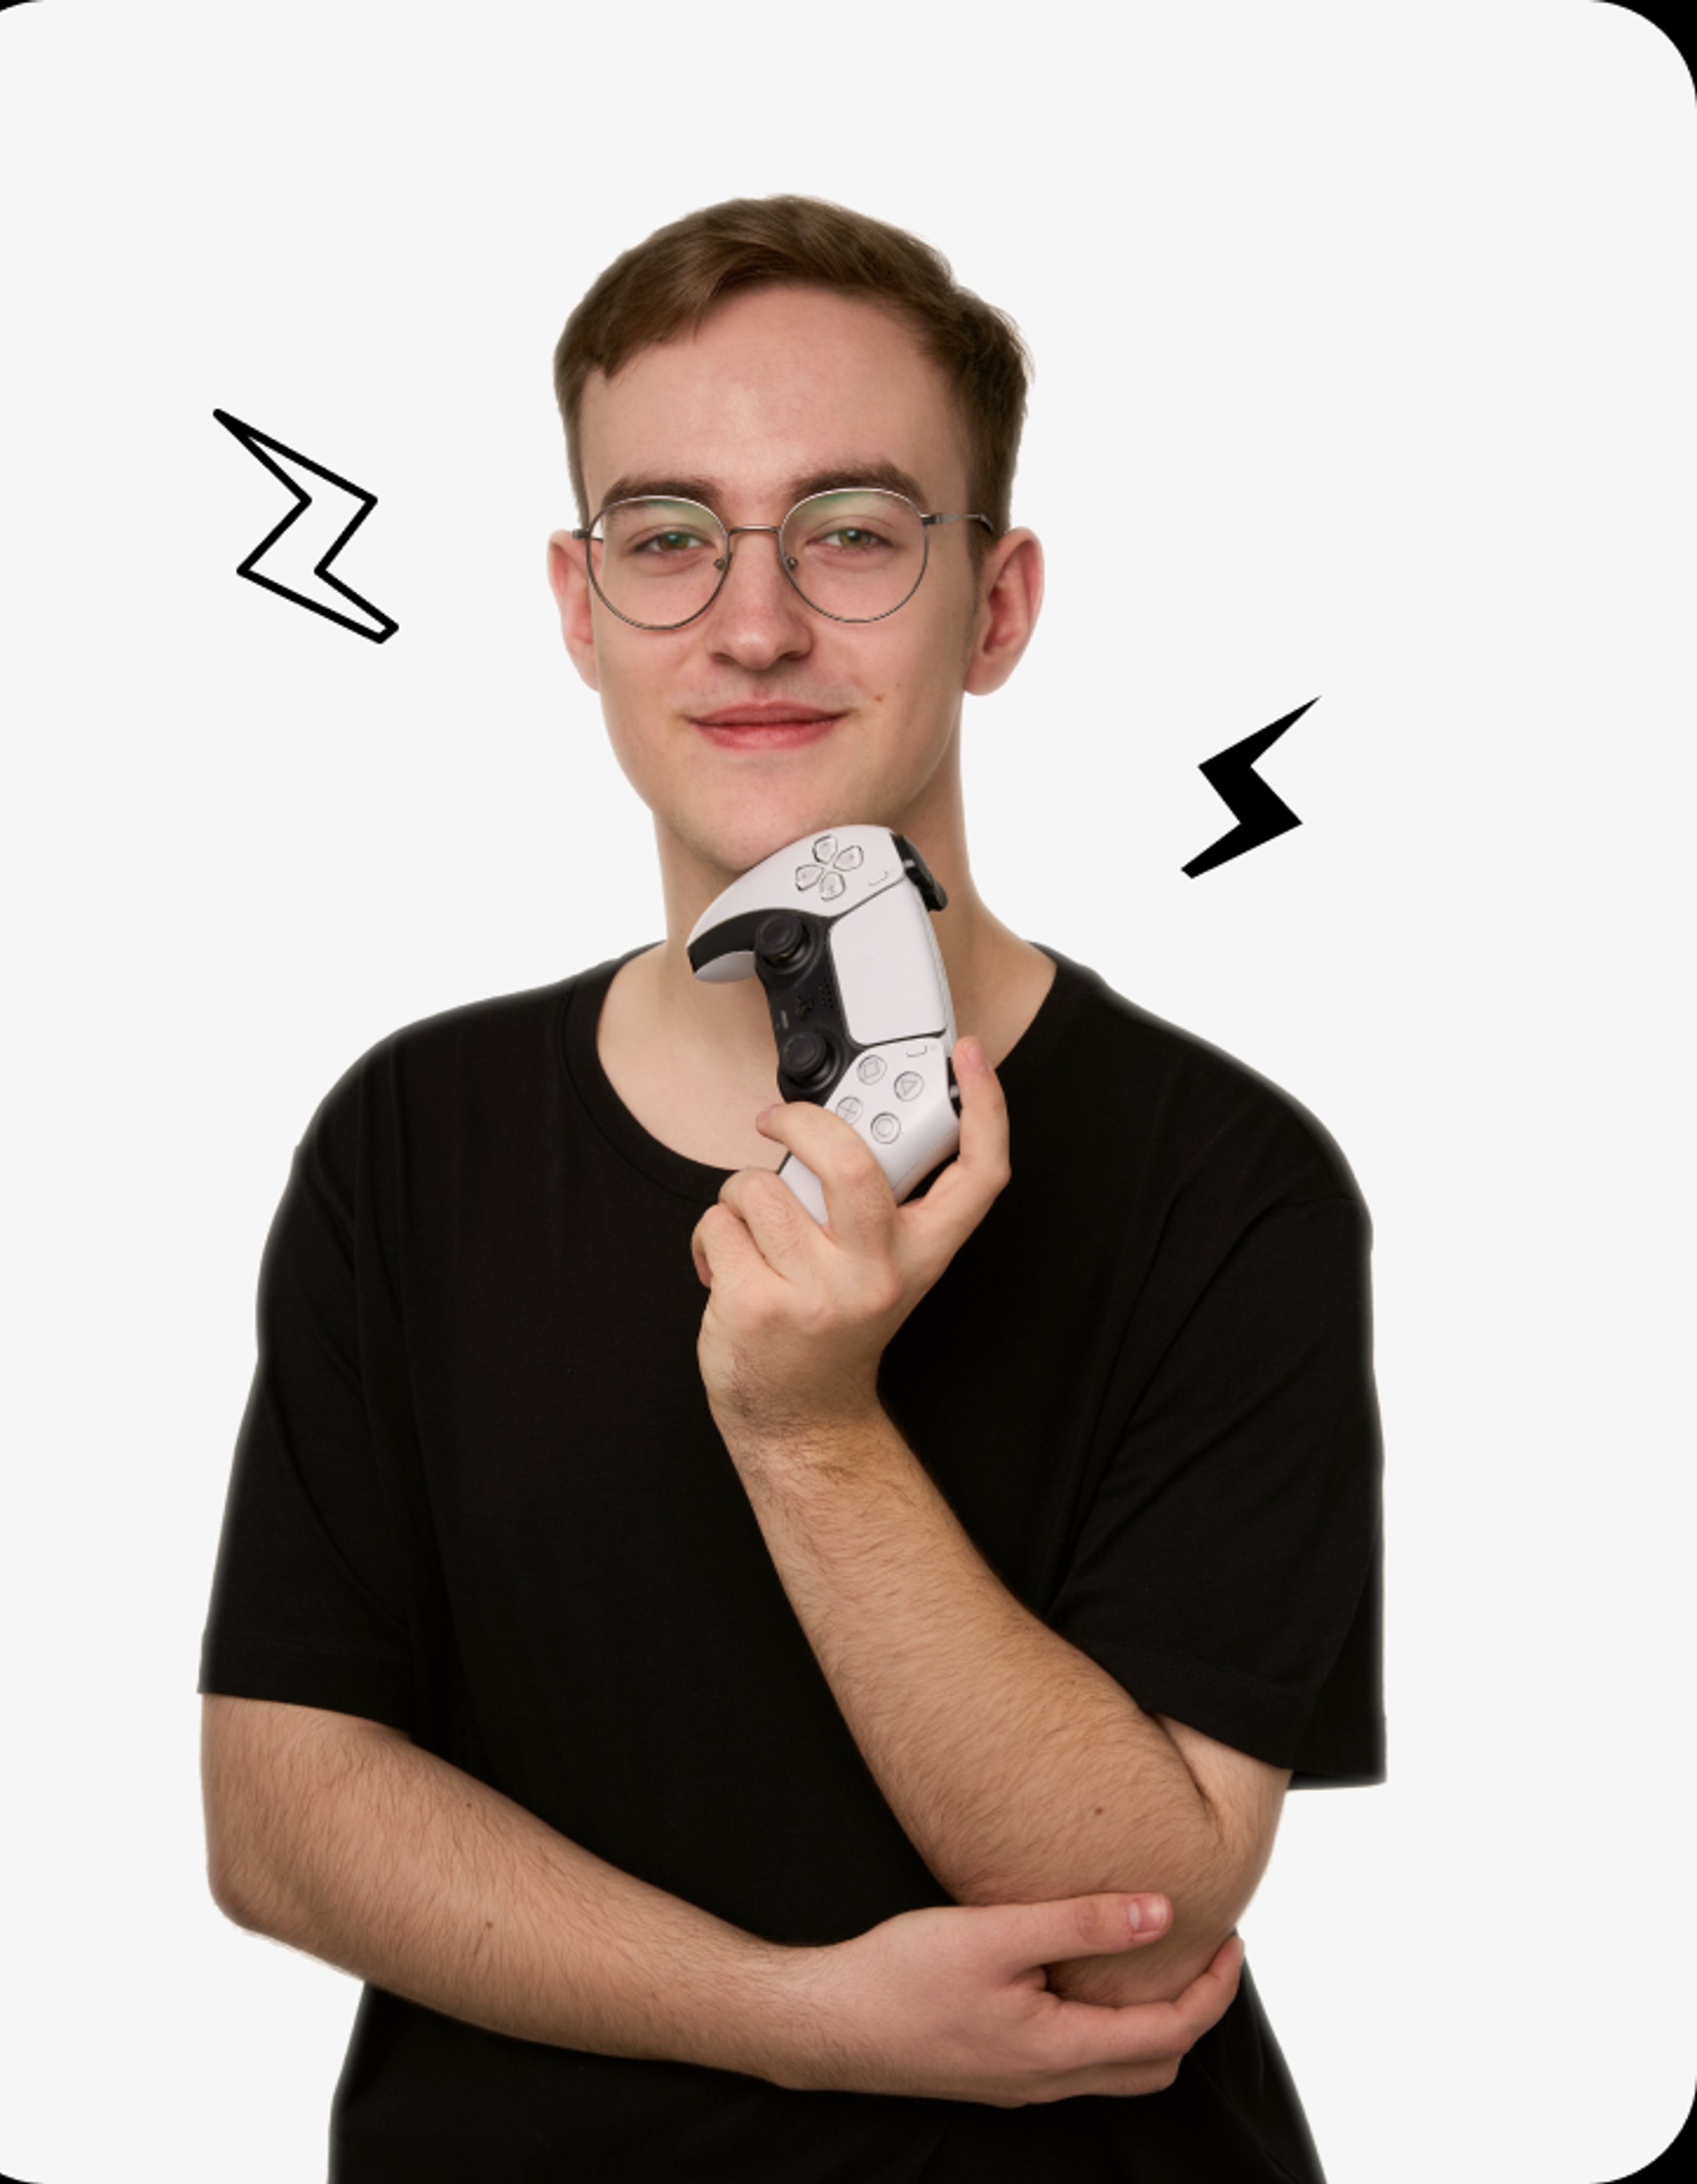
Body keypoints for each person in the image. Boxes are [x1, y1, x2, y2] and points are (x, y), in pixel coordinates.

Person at [198, 194, 1383, 2182]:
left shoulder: (1232, 1179)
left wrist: (809, 1426)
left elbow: (1135, 1928)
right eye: (668, 537)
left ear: (994, 606)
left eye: (850, 530)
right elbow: (280, 1813)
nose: (752, 626)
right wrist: (798, 2018)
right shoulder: (406, 1135)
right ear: (580, 607)